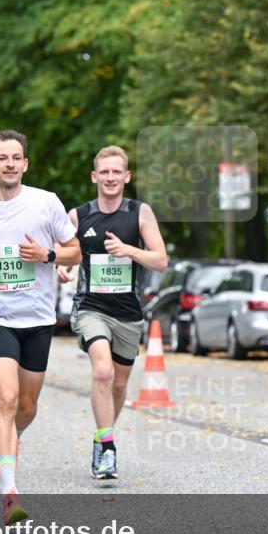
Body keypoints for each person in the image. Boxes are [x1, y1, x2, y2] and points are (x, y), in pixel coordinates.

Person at [0, 129, 80, 525]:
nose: (8, 164)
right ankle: (10, 492)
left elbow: (76, 250)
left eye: (15, 158)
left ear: (25, 163)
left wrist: (49, 254)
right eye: (1, 158)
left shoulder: (46, 203)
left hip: (38, 319)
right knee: (5, 396)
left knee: (25, 406)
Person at [57, 145, 167, 480]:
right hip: (91, 308)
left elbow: (160, 260)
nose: (110, 177)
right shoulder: (79, 215)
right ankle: (108, 448)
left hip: (128, 312)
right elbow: (60, 253)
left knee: (119, 384)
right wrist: (60, 269)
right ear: (95, 176)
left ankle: (101, 435)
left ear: (126, 176)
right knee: (102, 372)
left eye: (116, 172)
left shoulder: (140, 212)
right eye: (104, 172)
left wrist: (128, 250)